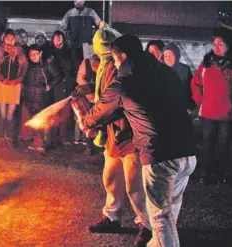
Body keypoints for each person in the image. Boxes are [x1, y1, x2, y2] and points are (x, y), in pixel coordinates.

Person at [82, 34, 197, 247]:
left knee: (161, 216)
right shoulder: (165, 72)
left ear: (123, 56)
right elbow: (182, 100)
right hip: (188, 150)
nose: (114, 64)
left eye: (115, 59)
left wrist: (86, 121)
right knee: (170, 208)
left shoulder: (124, 81)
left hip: (160, 155)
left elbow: (102, 111)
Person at [75, 27, 151, 247]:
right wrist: (88, 89)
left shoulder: (121, 67)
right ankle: (112, 216)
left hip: (128, 135)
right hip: (114, 134)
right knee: (111, 178)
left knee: (134, 184)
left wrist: (90, 121)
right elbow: (105, 93)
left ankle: (146, 224)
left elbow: (112, 101)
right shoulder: (106, 65)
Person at [191, 27, 232, 185]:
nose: (216, 47)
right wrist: (200, 100)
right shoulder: (206, 63)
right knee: (207, 142)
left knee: (223, 144)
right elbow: (196, 83)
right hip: (208, 111)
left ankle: (221, 173)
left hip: (227, 112)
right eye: (214, 44)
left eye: (220, 44)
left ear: (228, 47)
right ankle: (206, 172)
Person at [0, 29, 28, 148]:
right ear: (3, 38)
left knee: (11, 114)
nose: (10, 40)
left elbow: (24, 68)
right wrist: (2, 78)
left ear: (15, 39)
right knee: (2, 113)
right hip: (2, 84)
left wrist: (18, 80)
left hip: (14, 85)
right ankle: (1, 137)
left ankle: (10, 138)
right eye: (7, 37)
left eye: (12, 38)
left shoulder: (20, 52)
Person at [23, 45, 61, 154]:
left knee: (44, 121)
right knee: (35, 121)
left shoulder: (47, 65)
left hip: (43, 98)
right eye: (31, 55)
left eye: (35, 54)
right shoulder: (28, 66)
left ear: (40, 54)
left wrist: (50, 85)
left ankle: (45, 144)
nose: (33, 57)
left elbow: (57, 76)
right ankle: (37, 142)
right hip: (30, 98)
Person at [49, 30, 76, 147]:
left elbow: (74, 68)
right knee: (55, 111)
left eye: (59, 38)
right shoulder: (50, 53)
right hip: (55, 85)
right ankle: (53, 137)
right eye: (55, 38)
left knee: (65, 112)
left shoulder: (69, 52)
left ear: (63, 39)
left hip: (67, 84)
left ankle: (62, 137)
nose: (57, 41)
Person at [60, 0, 102, 71]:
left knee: (88, 65)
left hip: (88, 44)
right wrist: (69, 38)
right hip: (74, 44)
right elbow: (62, 27)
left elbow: (100, 24)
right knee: (76, 65)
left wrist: (94, 37)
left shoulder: (91, 12)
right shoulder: (70, 13)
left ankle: (88, 81)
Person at [75, 54, 99, 155]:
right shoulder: (86, 63)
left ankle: (101, 145)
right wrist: (88, 91)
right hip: (88, 97)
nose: (95, 68)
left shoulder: (108, 62)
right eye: (93, 65)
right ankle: (89, 146)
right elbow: (80, 78)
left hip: (101, 97)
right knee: (88, 120)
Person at [162, 42, 195, 111]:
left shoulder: (185, 69)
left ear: (177, 55)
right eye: (166, 56)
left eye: (171, 55)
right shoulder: (160, 70)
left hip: (183, 108)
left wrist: (190, 106)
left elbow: (191, 89)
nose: (168, 58)